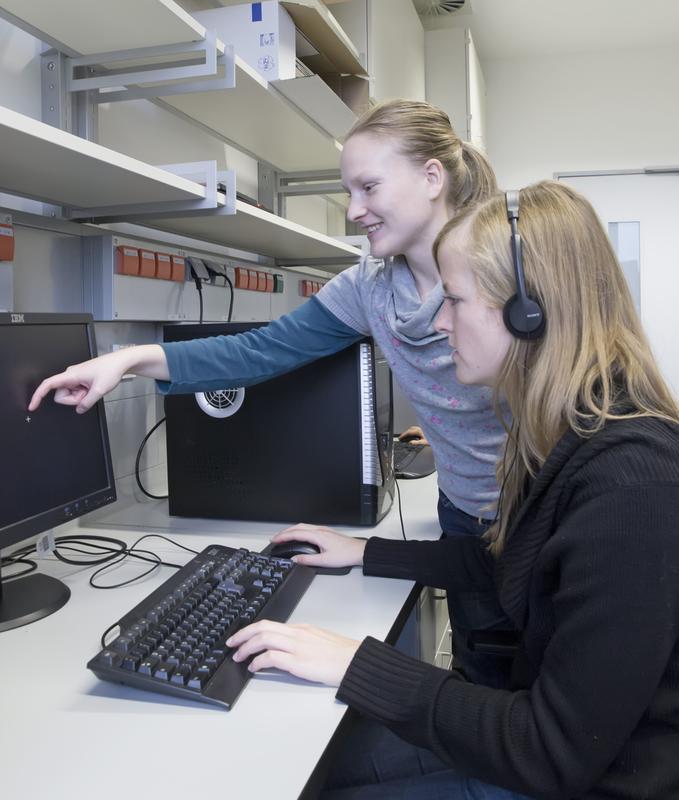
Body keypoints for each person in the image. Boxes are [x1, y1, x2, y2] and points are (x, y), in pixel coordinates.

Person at [29, 100, 513, 689]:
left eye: (369, 187)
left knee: (554, 687)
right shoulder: (369, 290)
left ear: (432, 177)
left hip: (547, 506)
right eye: (347, 192)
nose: (355, 211)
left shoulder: (508, 271)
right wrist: (131, 359)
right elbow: (257, 352)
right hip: (463, 512)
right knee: (483, 668)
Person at [225, 181, 679, 799]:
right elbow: (511, 562)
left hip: (594, 780)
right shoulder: (562, 433)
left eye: (455, 299)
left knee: (321, 784)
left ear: (528, 312)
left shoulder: (630, 486)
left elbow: (550, 752)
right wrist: (365, 554)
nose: (438, 322)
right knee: (318, 761)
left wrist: (357, 663)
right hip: (557, 745)